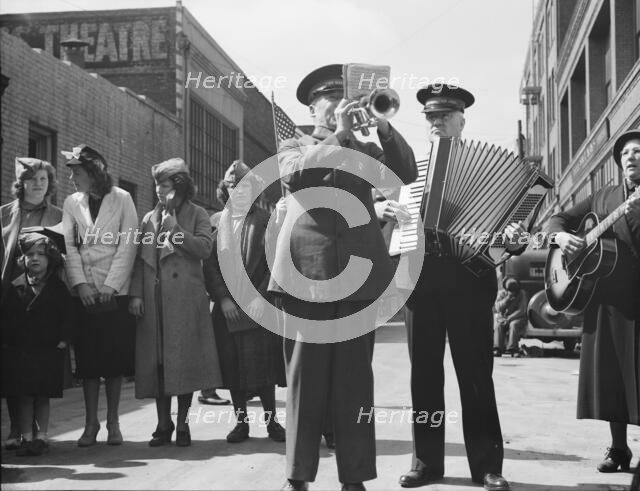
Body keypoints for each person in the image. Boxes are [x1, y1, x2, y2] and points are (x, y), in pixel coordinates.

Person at [270, 64, 417, 491]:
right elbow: (298, 176)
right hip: (305, 274)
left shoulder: (365, 151)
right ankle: (298, 476)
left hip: (357, 277)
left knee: (354, 384)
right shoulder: (293, 143)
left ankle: (354, 477)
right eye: (330, 99)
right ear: (314, 108)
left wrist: (384, 127)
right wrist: (339, 134)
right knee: (304, 381)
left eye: (344, 98)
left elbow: (405, 175)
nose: (340, 106)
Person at [397, 85, 527, 491]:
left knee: (475, 375)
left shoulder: (494, 171)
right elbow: (399, 234)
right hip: (422, 279)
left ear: (461, 120)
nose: (437, 122)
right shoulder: (411, 169)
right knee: (424, 375)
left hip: (472, 278)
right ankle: (426, 462)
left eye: (445, 116)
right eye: (431, 117)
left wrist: (515, 235)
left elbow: (513, 239)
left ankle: (487, 466)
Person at [546, 129, 640, 473]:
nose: (631, 156)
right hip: (607, 300)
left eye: (639, 151)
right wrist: (561, 236)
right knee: (612, 376)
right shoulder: (603, 196)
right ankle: (618, 449)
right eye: (626, 152)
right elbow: (560, 218)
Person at [129, 158, 222, 447]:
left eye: (165, 184)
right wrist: (136, 295)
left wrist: (176, 230)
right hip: (155, 301)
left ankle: (182, 425)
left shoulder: (198, 214)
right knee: (158, 364)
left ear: (179, 186)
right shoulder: (148, 218)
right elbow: (139, 263)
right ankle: (162, 424)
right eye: (157, 184)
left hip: (184, 301)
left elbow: (205, 249)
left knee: (184, 363)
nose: (159, 189)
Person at [203, 160, 286, 444]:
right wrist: (223, 299)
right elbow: (210, 266)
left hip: (259, 308)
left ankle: (272, 422)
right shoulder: (217, 223)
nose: (235, 191)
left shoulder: (267, 221)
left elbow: (274, 265)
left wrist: (258, 299)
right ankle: (241, 424)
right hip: (228, 311)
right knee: (233, 369)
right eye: (230, 186)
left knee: (264, 370)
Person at [61, 145, 138, 447]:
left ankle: (114, 423)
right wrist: (80, 285)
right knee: (89, 362)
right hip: (86, 293)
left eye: (77, 172)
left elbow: (129, 243)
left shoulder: (122, 199)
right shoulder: (71, 202)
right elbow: (68, 246)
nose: (72, 179)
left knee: (114, 362)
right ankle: (90, 423)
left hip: (112, 293)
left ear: (94, 172)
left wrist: (112, 286)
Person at [1, 158, 62, 451]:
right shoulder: (5, 214)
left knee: (37, 368)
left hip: (44, 298)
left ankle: (38, 432)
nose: (39, 184)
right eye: (33, 179)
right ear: (21, 183)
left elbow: (62, 258)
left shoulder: (57, 215)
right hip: (11, 298)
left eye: (44, 179)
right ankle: (17, 427)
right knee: (14, 363)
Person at [1, 228, 73, 456]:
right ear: (23, 259)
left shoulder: (58, 288)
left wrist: (63, 340)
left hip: (48, 350)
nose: (35, 259)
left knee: (42, 395)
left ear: (50, 260)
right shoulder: (15, 287)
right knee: (24, 395)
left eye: (40, 255)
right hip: (22, 351)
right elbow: (8, 319)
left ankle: (41, 437)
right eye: (30, 254)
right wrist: (7, 344)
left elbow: (67, 317)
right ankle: (26, 436)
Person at [493, 278, 528, 357]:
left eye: (514, 290)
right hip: (503, 317)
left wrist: (509, 318)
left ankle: (513, 349)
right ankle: (497, 348)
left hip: (517, 318)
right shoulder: (501, 294)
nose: (513, 292)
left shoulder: (522, 294)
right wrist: (507, 298)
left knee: (513, 324)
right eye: (510, 290)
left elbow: (521, 310)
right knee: (498, 324)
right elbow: (498, 308)